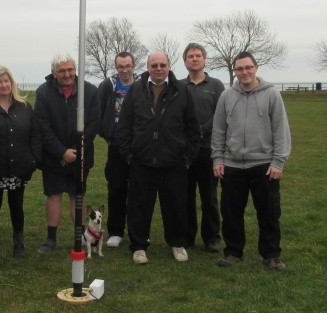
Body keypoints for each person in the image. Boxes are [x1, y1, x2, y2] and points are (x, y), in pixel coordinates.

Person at [117, 51, 201, 264]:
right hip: (142, 162)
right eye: (154, 65)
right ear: (147, 67)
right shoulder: (136, 90)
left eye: (162, 64)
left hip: (173, 162)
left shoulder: (181, 90)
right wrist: (128, 156)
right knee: (139, 207)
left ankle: (177, 243)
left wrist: (188, 158)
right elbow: (125, 126)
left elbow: (192, 127)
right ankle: (138, 246)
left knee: (175, 206)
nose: (158, 69)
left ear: (169, 66)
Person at [212, 51, 291, 270]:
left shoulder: (272, 95)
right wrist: (218, 158)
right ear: (235, 71)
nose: (244, 72)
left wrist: (278, 162)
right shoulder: (227, 97)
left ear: (256, 68)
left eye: (248, 67)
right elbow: (218, 131)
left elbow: (281, 130)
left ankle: (271, 254)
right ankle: (233, 252)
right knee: (230, 213)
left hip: (264, 165)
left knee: (269, 212)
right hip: (232, 165)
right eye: (240, 69)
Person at [34, 53, 100, 253]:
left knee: (76, 195)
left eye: (70, 69)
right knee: (54, 195)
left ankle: (81, 237)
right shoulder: (43, 92)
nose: (67, 74)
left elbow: (93, 124)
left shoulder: (89, 91)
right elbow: (43, 126)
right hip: (53, 157)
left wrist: (75, 152)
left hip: (81, 156)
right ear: (54, 73)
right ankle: (51, 239)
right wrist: (61, 152)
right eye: (62, 70)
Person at [0, 66, 42, 257]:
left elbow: (35, 134)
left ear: (12, 83)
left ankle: (19, 243)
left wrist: (34, 160)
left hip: (19, 166)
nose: (3, 85)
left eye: (6, 81)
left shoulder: (24, 106)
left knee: (17, 205)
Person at [181, 43, 226, 252]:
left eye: (198, 55)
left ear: (205, 60)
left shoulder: (216, 85)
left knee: (209, 196)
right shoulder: (180, 86)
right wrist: (190, 133)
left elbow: (221, 114)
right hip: (186, 151)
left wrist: (201, 130)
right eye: (190, 56)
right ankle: (188, 236)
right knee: (186, 196)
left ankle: (212, 238)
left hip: (209, 149)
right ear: (185, 61)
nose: (194, 59)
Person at [97, 51, 139, 248]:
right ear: (116, 67)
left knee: (138, 191)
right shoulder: (108, 85)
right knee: (116, 189)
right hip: (115, 146)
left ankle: (137, 232)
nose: (124, 70)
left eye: (128, 66)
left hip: (138, 147)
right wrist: (106, 133)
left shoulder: (142, 84)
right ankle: (115, 231)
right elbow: (98, 112)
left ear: (133, 65)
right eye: (121, 66)